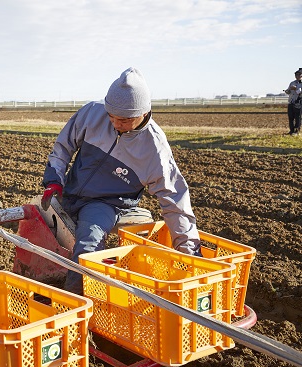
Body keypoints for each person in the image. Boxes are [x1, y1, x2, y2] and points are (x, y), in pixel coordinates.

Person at [41, 67, 201, 295]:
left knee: (88, 247)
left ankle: (77, 307)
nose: (115, 124)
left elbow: (175, 201)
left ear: (143, 113)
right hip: (71, 190)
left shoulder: (154, 150)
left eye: (124, 120)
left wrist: (189, 253)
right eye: (111, 116)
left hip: (105, 203)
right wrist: (54, 180)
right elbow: (62, 148)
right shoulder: (92, 113)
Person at [284, 68, 302, 135]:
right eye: (296, 75)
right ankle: (291, 130)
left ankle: (296, 131)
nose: (297, 76)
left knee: (298, 117)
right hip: (291, 102)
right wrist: (287, 91)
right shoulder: (292, 83)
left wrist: (296, 89)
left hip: (298, 102)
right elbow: (288, 91)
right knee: (290, 117)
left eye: (299, 74)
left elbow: (300, 93)